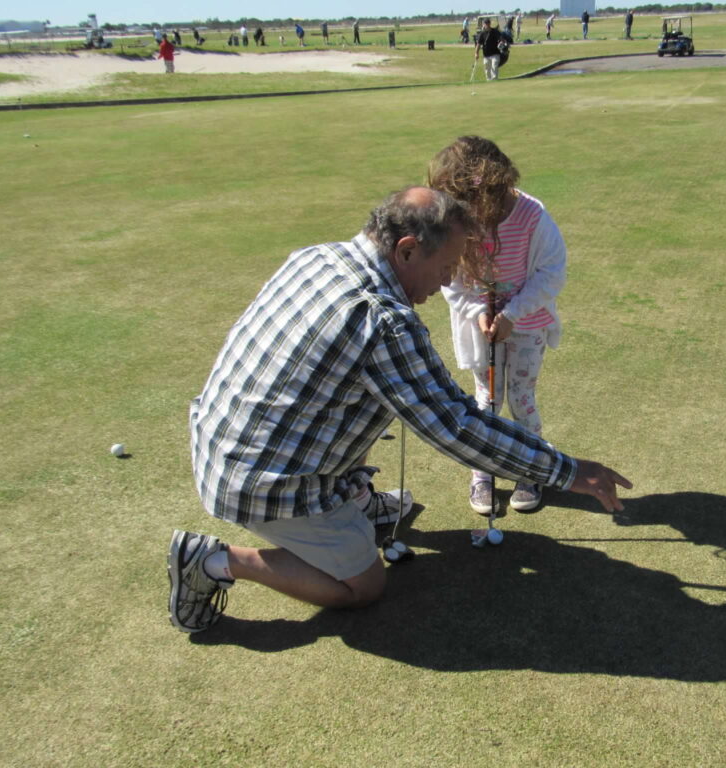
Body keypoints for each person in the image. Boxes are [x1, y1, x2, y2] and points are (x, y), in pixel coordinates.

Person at [167, 186, 633, 633]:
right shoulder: (380, 318)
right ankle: (213, 560)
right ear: (408, 250)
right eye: (448, 265)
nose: (450, 279)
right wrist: (565, 470)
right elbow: (457, 426)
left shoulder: (315, 256)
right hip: (261, 482)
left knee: (342, 403)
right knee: (364, 585)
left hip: (223, 440)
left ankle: (354, 500)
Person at [428, 136, 570, 514]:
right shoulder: (456, 221)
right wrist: (478, 311)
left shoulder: (531, 215)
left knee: (522, 399)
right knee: (487, 402)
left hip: (527, 324)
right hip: (480, 327)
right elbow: (451, 280)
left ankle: (531, 469)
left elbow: (551, 273)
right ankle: (484, 471)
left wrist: (511, 316)